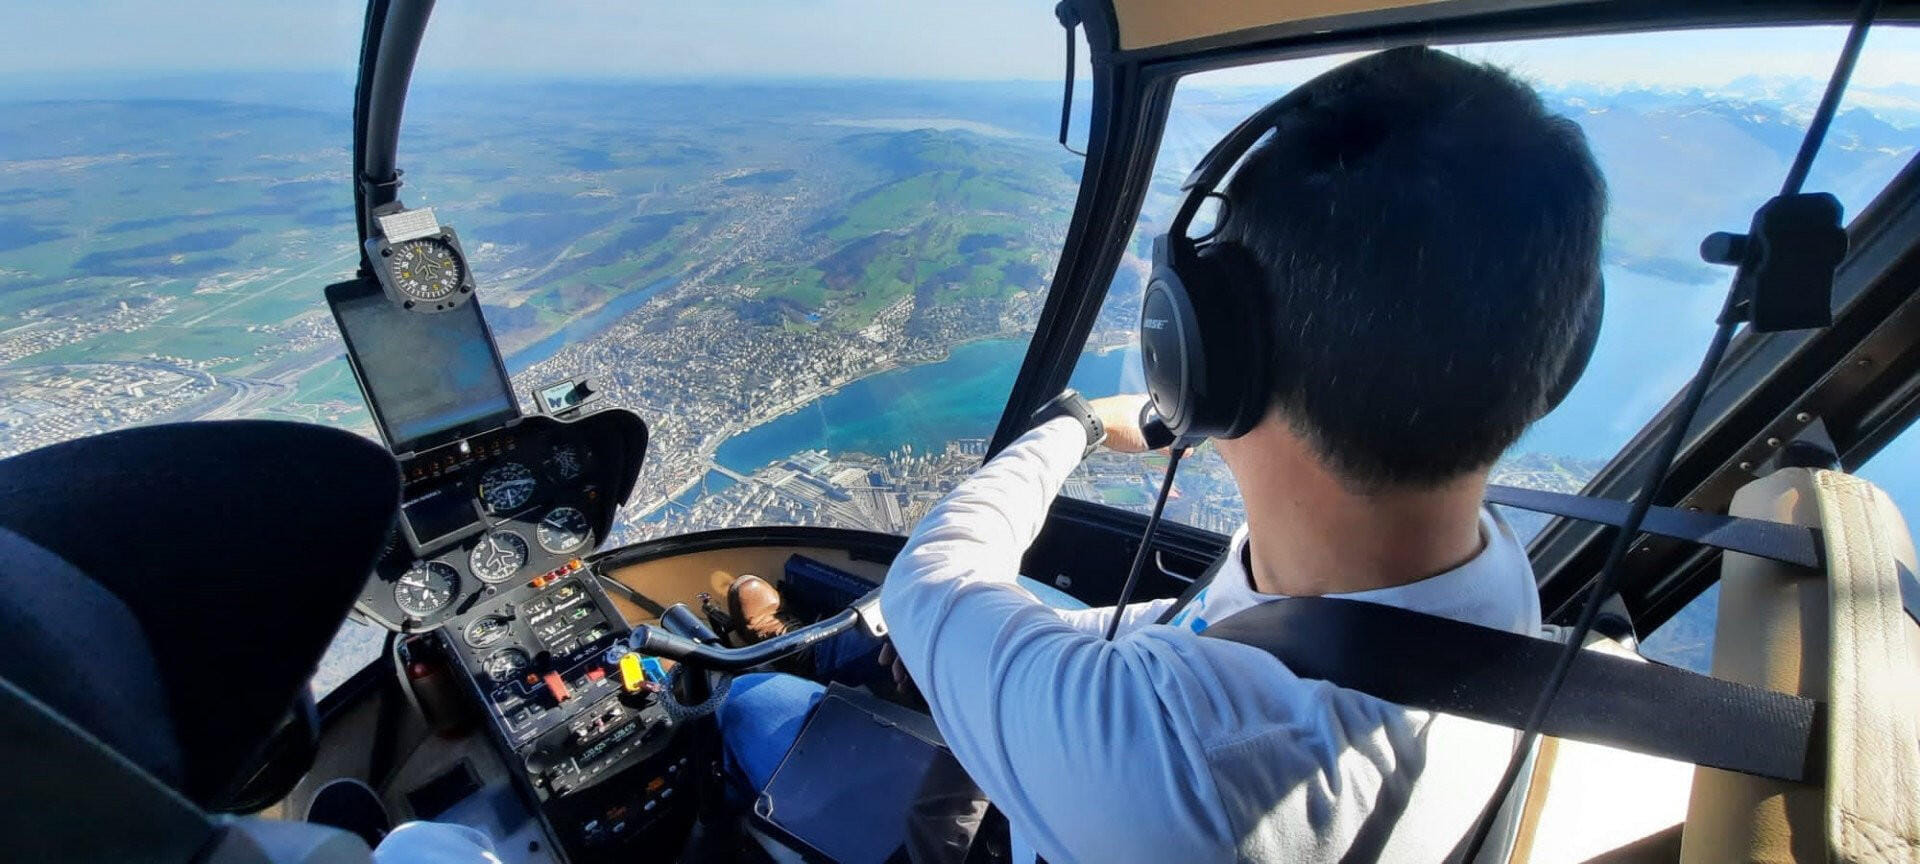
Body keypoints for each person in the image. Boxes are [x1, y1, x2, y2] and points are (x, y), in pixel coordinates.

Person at [721, 45, 1606, 862]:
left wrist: (1068, 425)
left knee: (750, 708)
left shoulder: (1176, 759)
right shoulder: (1488, 578)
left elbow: (928, 582)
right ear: (1554, 359)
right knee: (977, 622)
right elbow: (1217, 642)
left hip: (1120, 802)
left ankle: (763, 640)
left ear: (1205, 358)